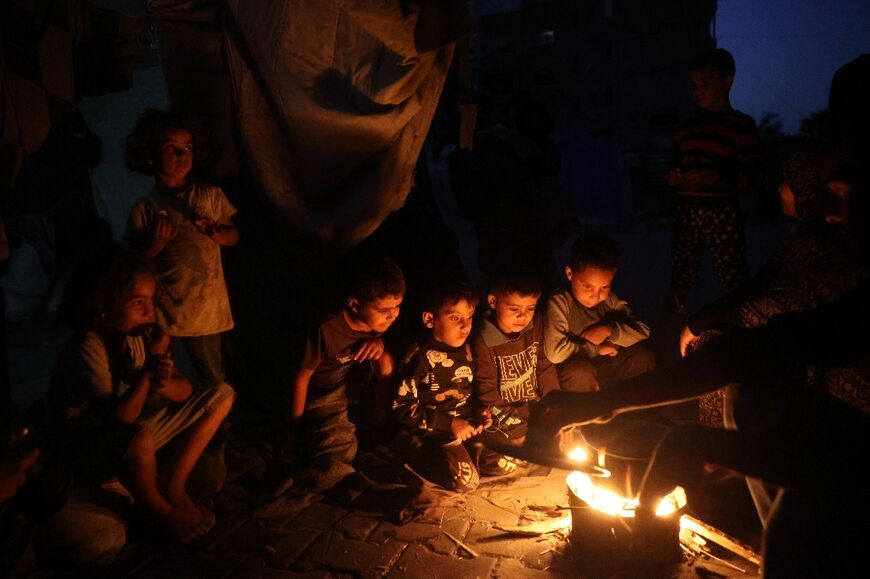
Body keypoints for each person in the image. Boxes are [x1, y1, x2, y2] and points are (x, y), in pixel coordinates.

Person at [532, 156, 870, 575]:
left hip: (855, 465)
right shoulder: (852, 294)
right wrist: (609, 405)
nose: (832, 213)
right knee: (747, 389)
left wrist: (698, 443)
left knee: (795, 505)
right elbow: (753, 353)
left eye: (842, 196)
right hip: (841, 447)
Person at [47, 255, 234, 543]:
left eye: (151, 300)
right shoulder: (88, 347)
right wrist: (147, 376)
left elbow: (184, 390)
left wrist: (159, 374)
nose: (150, 311)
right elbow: (118, 421)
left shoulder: (136, 336)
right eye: (138, 303)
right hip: (91, 446)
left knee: (221, 394)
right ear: (104, 307)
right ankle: (160, 512)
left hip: (133, 436)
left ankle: (173, 485)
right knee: (138, 440)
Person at [680, 151, 870, 425]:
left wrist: (699, 323)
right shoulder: (803, 238)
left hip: (839, 381)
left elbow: (774, 306)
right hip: (798, 347)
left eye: (787, 181)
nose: (780, 189)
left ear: (806, 191)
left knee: (723, 348)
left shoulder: (822, 246)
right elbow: (757, 287)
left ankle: (730, 452)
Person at [124, 110, 239, 387]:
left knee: (215, 377)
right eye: (171, 149)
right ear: (150, 156)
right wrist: (156, 244)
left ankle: (225, 425)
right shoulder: (145, 209)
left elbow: (233, 235)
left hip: (208, 312)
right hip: (168, 315)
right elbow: (134, 264)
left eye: (187, 147)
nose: (182, 155)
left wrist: (216, 234)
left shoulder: (209, 196)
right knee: (169, 377)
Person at [287, 257, 404, 490]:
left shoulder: (379, 323)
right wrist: (295, 428)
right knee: (338, 454)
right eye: (384, 310)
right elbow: (301, 378)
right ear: (354, 305)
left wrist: (379, 342)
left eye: (397, 307)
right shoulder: (326, 327)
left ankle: (378, 426)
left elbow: (384, 350)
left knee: (386, 358)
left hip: (352, 381)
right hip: (323, 393)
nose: (392, 316)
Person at [663, 48, 764, 315]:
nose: (698, 91)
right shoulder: (685, 129)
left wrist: (716, 175)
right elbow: (675, 166)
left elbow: (754, 173)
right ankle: (672, 317)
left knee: (732, 272)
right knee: (682, 269)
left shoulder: (741, 125)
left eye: (705, 84)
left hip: (723, 212)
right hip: (687, 210)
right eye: (694, 86)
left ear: (727, 81)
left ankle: (740, 320)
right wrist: (673, 177)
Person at [392, 278, 513, 491]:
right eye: (455, 318)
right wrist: (449, 424)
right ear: (430, 319)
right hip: (431, 432)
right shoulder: (419, 357)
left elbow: (472, 392)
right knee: (467, 482)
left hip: (465, 427)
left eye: (469, 317)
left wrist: (480, 412)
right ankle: (416, 454)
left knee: (511, 461)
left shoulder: (468, 349)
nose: (465, 326)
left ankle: (463, 457)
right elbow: (402, 409)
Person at [544, 232, 655, 392]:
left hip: (608, 365)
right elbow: (555, 353)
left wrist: (609, 330)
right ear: (570, 273)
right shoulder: (560, 302)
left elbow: (644, 331)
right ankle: (587, 414)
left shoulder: (609, 301)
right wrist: (596, 348)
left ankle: (632, 409)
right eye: (587, 286)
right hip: (577, 370)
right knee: (579, 373)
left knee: (642, 357)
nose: (596, 296)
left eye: (604, 287)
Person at [471, 269, 559, 446]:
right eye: (514, 309)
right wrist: (517, 430)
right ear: (493, 301)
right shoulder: (482, 339)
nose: (523, 316)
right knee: (500, 460)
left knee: (556, 451)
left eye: (530, 308)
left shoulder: (537, 324)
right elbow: (488, 394)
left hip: (533, 408)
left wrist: (556, 410)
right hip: (501, 414)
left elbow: (545, 368)